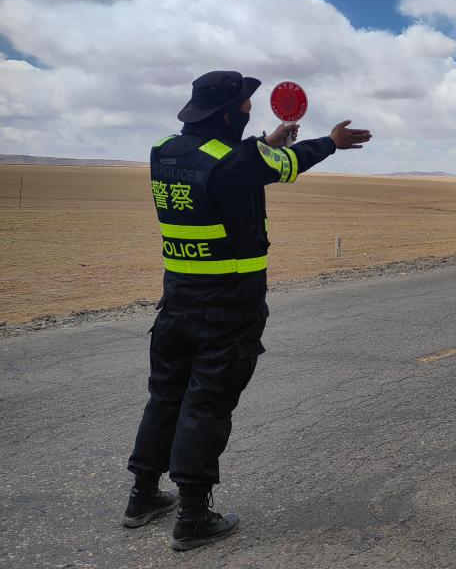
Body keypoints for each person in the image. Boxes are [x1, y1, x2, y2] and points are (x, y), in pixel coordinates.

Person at [123, 70, 371, 551]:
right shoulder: (238, 161)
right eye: (244, 109)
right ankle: (193, 516)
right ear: (225, 116)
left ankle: (142, 495)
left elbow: (225, 159)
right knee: (207, 406)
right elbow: (286, 162)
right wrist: (332, 142)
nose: (247, 114)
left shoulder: (163, 151)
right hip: (228, 308)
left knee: (166, 396)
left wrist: (265, 142)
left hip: (175, 303)